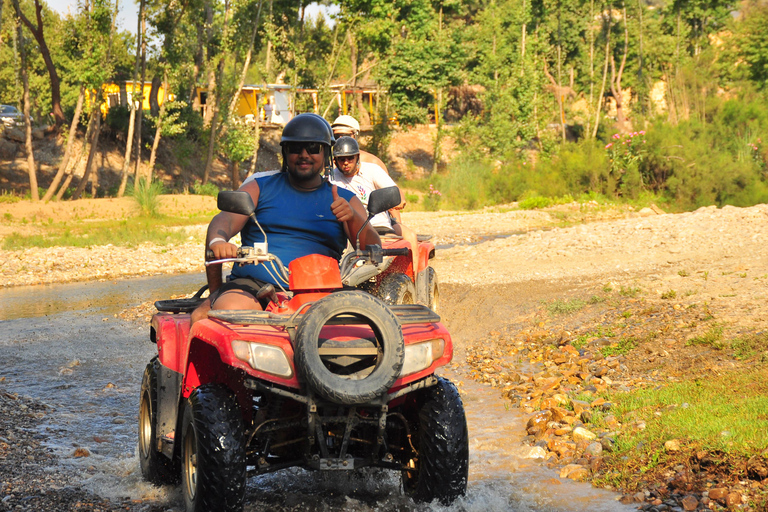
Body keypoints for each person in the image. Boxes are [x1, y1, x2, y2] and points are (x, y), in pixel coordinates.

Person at [191, 114, 380, 325]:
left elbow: (374, 248)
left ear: (326, 153)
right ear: (285, 152)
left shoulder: (345, 199)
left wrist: (353, 218)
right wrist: (219, 245)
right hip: (253, 285)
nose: (304, 154)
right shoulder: (259, 187)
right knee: (229, 312)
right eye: (295, 148)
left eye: (313, 148)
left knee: (363, 328)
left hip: (322, 288)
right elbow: (224, 221)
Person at [329, 136, 421, 277]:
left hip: (378, 225)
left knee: (411, 238)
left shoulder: (371, 170)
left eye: (350, 158)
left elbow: (397, 195)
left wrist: (394, 200)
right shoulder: (331, 179)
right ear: (335, 161)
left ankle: (413, 281)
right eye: (341, 159)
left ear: (357, 157)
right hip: (347, 231)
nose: (346, 163)